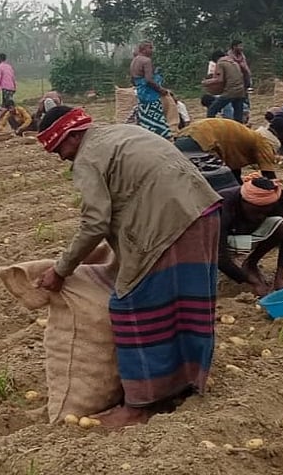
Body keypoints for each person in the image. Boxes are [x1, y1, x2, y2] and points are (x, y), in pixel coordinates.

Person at [34, 105, 221, 428]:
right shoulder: (121, 132)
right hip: (202, 212)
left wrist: (61, 269)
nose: (61, 158)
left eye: (60, 148)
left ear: (74, 136)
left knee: (131, 307)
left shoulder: (88, 158)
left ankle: (138, 405)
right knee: (184, 305)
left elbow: (95, 222)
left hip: (168, 226)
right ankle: (183, 383)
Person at [218, 175, 283, 296]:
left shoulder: (271, 198)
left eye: (265, 212)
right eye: (256, 211)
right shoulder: (224, 205)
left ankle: (251, 264)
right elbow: (219, 258)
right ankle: (247, 271)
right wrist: (250, 282)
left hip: (250, 232)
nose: (261, 216)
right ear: (243, 201)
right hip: (228, 237)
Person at [176, 118, 281, 182]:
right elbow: (270, 178)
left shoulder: (243, 140)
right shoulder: (263, 143)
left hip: (184, 137)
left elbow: (235, 174)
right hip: (202, 141)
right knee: (222, 188)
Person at [130, 41, 172, 138]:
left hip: (141, 93)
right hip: (150, 94)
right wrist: (161, 89)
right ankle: (160, 136)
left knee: (145, 115)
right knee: (155, 116)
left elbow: (133, 79)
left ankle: (147, 135)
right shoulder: (146, 61)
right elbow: (149, 80)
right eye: (150, 48)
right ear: (144, 49)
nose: (152, 50)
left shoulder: (134, 61)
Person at [203, 50, 247, 123]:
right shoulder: (234, 62)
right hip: (240, 91)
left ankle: (211, 127)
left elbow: (219, 79)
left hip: (230, 91)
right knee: (238, 117)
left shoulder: (221, 63)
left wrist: (206, 82)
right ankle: (238, 131)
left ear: (216, 59)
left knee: (212, 110)